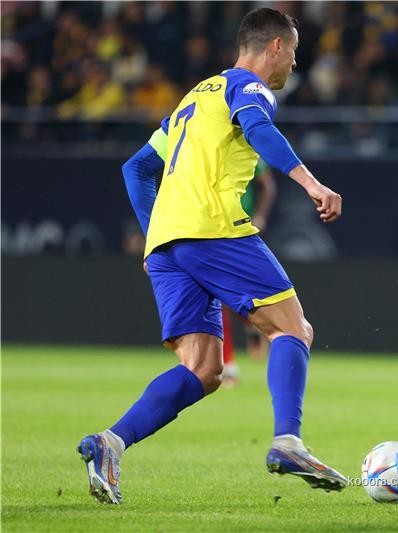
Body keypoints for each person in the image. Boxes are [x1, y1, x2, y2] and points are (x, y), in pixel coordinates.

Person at [77, 8, 346, 505]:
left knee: (203, 370)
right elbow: (259, 130)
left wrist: (153, 233)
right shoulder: (249, 88)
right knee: (293, 329)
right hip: (213, 230)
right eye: (294, 53)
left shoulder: (194, 98)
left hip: (169, 244)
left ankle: (109, 443)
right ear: (276, 48)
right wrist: (311, 182)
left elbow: (135, 169)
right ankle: (288, 440)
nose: (293, 64)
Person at [221, 159, 277, 388]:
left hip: (242, 233)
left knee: (229, 297)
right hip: (212, 232)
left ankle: (251, 324)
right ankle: (228, 365)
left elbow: (267, 185)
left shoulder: (247, 150)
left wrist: (260, 216)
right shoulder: (207, 146)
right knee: (219, 298)